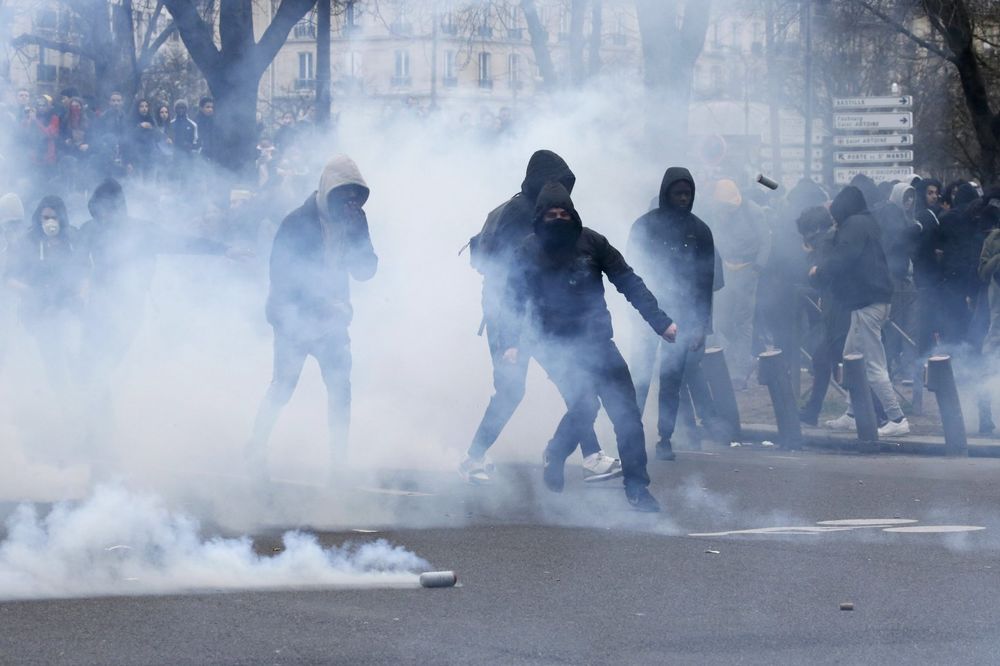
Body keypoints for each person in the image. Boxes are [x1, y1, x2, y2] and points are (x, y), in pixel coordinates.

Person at [502, 182, 675, 512]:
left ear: (573, 214)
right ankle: (556, 452)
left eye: (563, 213)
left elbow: (628, 280)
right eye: (551, 214)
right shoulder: (527, 251)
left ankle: (637, 489)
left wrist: (661, 322)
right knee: (584, 406)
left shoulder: (593, 242)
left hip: (597, 341)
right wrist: (511, 343)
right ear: (540, 217)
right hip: (554, 346)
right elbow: (511, 298)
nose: (558, 219)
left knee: (626, 414)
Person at [461, 150, 620, 484]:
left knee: (571, 382)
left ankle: (589, 455)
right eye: (555, 184)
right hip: (514, 314)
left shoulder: (517, 209)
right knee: (513, 389)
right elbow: (511, 276)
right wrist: (509, 336)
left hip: (538, 314)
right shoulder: (521, 214)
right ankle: (473, 457)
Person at [247, 155, 376, 480]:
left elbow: (366, 271)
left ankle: (338, 464)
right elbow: (283, 276)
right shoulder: (297, 222)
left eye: (354, 196)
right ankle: (256, 447)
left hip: (332, 323)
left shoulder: (355, 220)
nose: (350, 202)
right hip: (294, 319)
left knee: (340, 390)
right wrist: (320, 303)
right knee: (284, 386)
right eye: (343, 195)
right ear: (328, 191)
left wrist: (358, 243)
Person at [627, 167, 715, 460]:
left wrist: (702, 325)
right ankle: (631, 434)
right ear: (666, 193)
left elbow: (705, 282)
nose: (682, 199)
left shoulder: (701, 231)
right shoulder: (644, 227)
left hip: (684, 316)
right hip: (648, 314)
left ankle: (665, 438)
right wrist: (634, 315)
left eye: (687, 194)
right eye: (677, 193)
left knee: (672, 381)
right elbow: (630, 274)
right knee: (640, 376)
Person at [812, 186, 909, 437]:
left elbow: (843, 257)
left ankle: (896, 417)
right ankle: (853, 414)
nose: (834, 221)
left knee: (873, 365)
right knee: (851, 356)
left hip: (868, 302)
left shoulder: (854, 224)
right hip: (869, 300)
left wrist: (818, 272)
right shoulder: (865, 221)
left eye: (835, 215)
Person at [4, 195, 86, 391]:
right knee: (53, 360)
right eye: (45, 218)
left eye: (54, 217)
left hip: (69, 308)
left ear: (62, 218)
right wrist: (31, 292)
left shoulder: (72, 239)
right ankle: (63, 401)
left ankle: (85, 397)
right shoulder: (28, 242)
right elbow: (8, 277)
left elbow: (85, 271)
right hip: (40, 311)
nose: (50, 223)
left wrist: (82, 295)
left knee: (77, 356)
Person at [708, 179, 769, 387]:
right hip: (726, 269)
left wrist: (758, 267)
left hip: (747, 269)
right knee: (722, 318)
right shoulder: (718, 212)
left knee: (743, 320)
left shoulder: (753, 211)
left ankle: (740, 371)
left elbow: (765, 240)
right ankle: (739, 356)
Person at [195, 96, 218, 165]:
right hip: (200, 155)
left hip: (215, 155)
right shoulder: (195, 123)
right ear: (201, 108)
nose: (210, 109)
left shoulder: (216, 122)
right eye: (207, 107)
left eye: (212, 107)